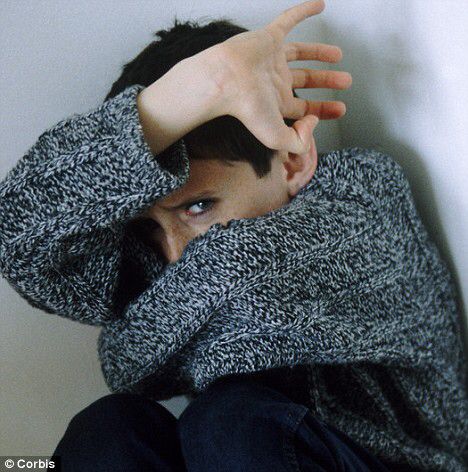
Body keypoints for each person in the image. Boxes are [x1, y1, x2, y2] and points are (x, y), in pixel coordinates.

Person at [0, 1, 466, 471]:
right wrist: (180, 100)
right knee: (106, 431)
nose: (175, 254)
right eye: (148, 227)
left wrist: (127, 326)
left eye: (199, 207)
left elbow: (231, 283)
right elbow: (17, 238)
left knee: (229, 421)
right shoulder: (165, 258)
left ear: (293, 161)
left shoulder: (360, 209)